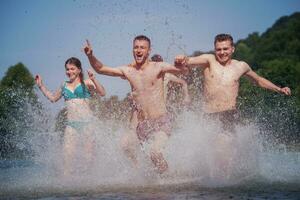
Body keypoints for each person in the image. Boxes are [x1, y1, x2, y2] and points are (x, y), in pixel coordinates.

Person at [175, 33, 291, 176]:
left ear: (232, 49)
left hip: (228, 115)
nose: (222, 53)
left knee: (223, 148)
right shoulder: (209, 60)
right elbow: (188, 61)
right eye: (219, 49)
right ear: (214, 49)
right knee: (208, 151)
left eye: (225, 49)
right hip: (208, 115)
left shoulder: (241, 66)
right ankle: (211, 179)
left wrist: (279, 89)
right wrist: (181, 59)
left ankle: (224, 183)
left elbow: (259, 80)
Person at [83, 35, 186, 174]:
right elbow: (101, 69)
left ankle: (168, 178)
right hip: (142, 125)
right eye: (136, 47)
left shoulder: (159, 67)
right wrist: (90, 56)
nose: (138, 50)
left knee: (155, 153)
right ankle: (140, 173)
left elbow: (183, 71)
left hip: (161, 122)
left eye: (142, 47)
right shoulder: (128, 70)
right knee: (124, 145)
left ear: (149, 50)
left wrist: (181, 63)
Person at [35, 57, 106, 175]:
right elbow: (53, 98)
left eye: (72, 69)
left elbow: (103, 93)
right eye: (67, 69)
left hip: (87, 125)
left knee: (88, 160)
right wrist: (41, 86)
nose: (69, 72)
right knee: (67, 159)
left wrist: (94, 79)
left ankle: (88, 186)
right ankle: (67, 186)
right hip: (71, 126)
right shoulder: (64, 85)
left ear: (79, 70)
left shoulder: (87, 82)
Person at [121, 54, 191, 167]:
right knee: (126, 145)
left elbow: (183, 81)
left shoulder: (167, 75)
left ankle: (163, 169)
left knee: (154, 149)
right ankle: (137, 167)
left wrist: (186, 95)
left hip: (159, 112)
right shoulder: (139, 74)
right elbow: (124, 74)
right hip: (140, 114)